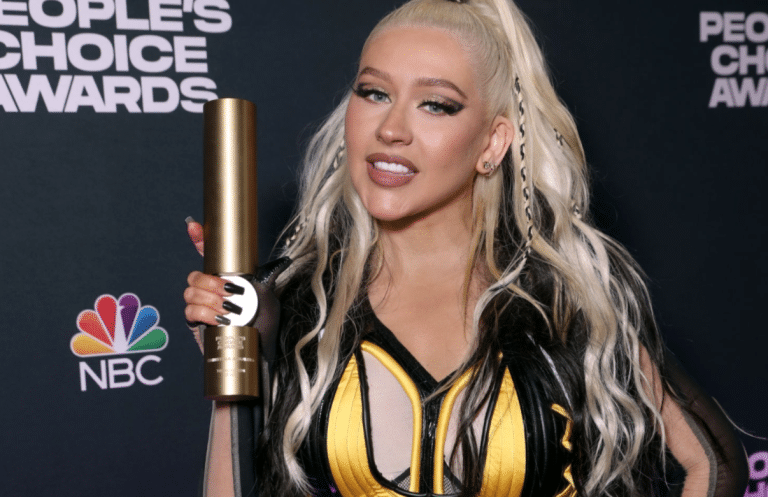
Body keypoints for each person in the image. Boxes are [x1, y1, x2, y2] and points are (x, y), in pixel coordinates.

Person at [184, 0, 748, 495]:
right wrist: (234, 357)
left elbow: (715, 465)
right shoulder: (297, 305)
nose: (391, 128)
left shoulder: (568, 300)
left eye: (435, 104)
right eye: (374, 93)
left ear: (493, 143)